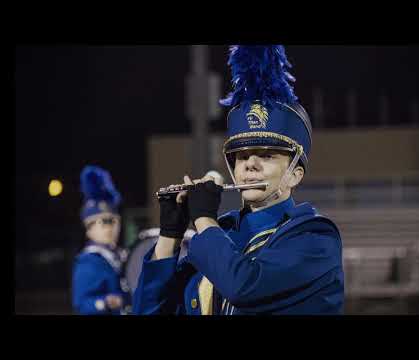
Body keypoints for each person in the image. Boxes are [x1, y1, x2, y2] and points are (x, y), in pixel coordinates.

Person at [133, 45, 344, 315]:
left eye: (266, 156)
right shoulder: (222, 234)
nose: (250, 164)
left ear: (295, 174)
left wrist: (204, 220)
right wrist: (170, 235)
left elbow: (245, 286)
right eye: (241, 156)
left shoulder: (315, 238)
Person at [72, 165, 132, 315]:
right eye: (102, 222)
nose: (109, 227)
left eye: (113, 221)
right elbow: (82, 304)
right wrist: (105, 302)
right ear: (88, 229)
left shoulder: (123, 254)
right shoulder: (89, 259)